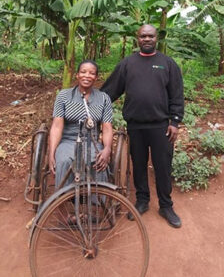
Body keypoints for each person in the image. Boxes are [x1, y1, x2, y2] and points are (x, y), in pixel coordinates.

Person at [101, 24, 184, 228]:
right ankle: (142, 200)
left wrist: (175, 121)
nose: (147, 39)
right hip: (136, 126)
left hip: (161, 126)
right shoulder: (128, 63)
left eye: (150, 36)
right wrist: (92, 105)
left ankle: (166, 205)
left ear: (157, 39)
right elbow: (111, 90)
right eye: (143, 36)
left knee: (163, 166)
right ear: (137, 39)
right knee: (138, 164)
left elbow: (176, 94)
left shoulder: (167, 63)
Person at [49, 60, 113, 189]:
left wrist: (107, 149)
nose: (87, 76)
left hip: (92, 142)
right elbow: (56, 126)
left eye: (91, 73)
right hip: (68, 141)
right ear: (77, 75)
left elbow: (106, 128)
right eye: (83, 72)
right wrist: (51, 153)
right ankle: (65, 197)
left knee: (99, 161)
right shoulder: (64, 96)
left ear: (96, 77)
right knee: (64, 161)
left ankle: (96, 200)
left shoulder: (104, 98)